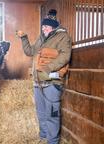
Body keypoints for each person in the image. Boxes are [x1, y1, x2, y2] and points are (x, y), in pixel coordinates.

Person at [16, 9, 72, 144]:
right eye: (42, 27)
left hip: (52, 82)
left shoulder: (63, 37)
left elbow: (65, 56)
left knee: (52, 114)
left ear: (53, 27)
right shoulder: (41, 38)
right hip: (38, 82)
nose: (43, 29)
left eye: (46, 27)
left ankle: (52, 141)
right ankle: (43, 137)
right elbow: (30, 52)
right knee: (41, 113)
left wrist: (47, 68)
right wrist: (24, 38)